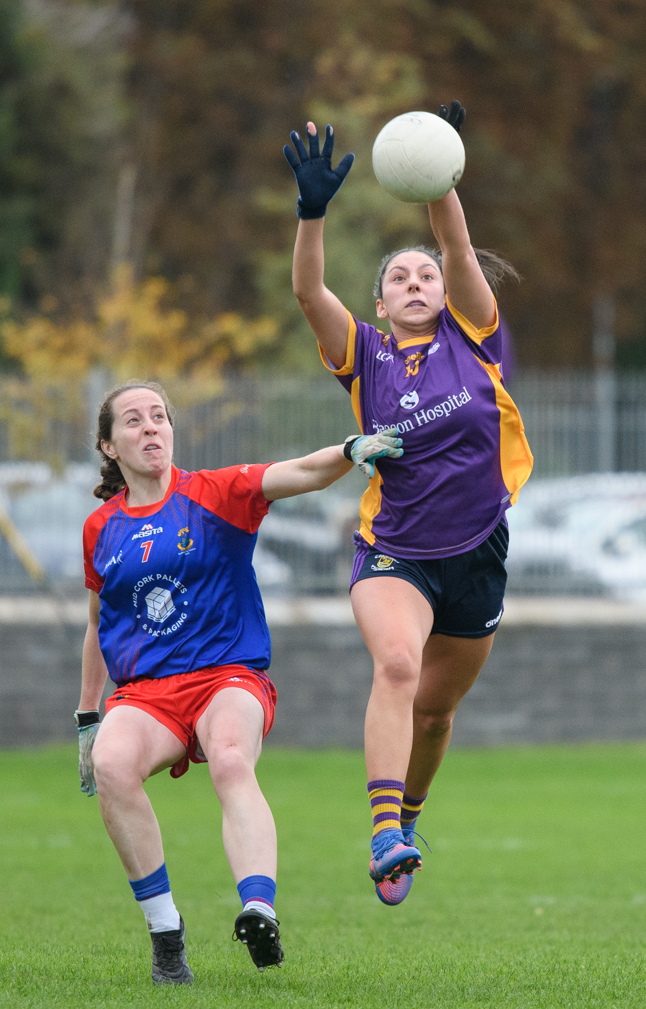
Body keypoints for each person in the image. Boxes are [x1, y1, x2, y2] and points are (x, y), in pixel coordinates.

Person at [283, 100, 534, 905]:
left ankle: (411, 817)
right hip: (392, 549)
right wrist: (311, 212)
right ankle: (384, 830)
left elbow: (456, 242)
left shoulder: (475, 336)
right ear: (382, 303)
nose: (417, 279)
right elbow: (306, 290)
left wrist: (441, 170)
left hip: (477, 551)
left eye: (423, 272)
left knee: (433, 712)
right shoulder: (362, 353)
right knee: (396, 665)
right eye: (399, 276)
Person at [75, 379, 402, 984]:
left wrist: (350, 449)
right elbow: (98, 624)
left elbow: (299, 472)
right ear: (109, 446)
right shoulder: (101, 529)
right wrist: (88, 714)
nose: (151, 428)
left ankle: (258, 909)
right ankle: (166, 936)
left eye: (159, 417)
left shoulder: (214, 492)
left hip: (227, 674)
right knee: (112, 764)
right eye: (134, 421)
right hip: (147, 693)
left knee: (230, 759)